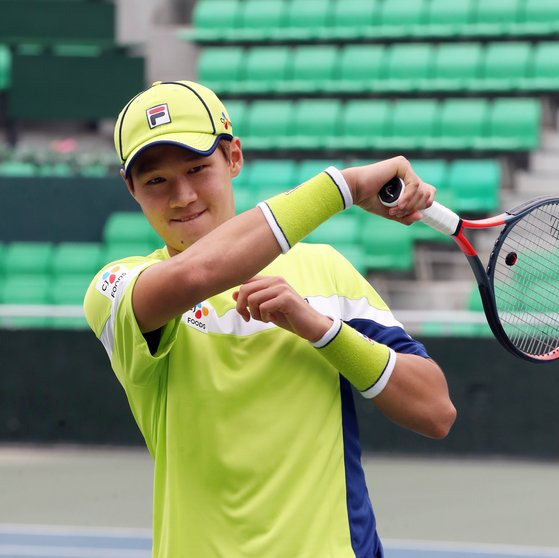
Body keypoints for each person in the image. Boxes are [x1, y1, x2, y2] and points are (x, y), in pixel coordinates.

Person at [84, 80, 456, 558]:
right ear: (130, 187)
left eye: (198, 169)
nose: (182, 196)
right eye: (157, 180)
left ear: (233, 157)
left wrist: (321, 331)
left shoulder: (327, 270)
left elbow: (436, 411)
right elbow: (200, 271)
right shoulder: (117, 289)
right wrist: (346, 187)